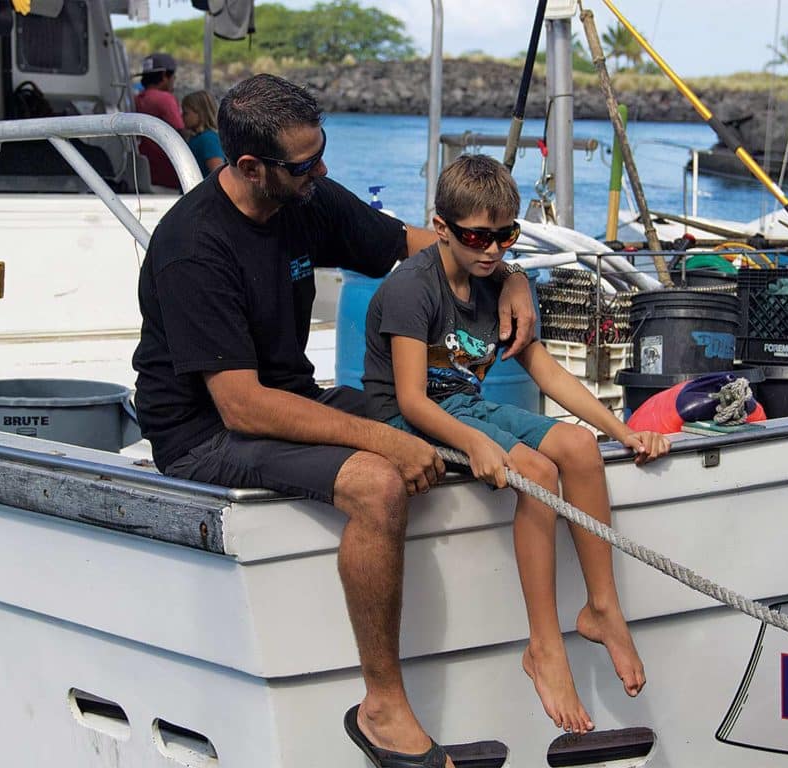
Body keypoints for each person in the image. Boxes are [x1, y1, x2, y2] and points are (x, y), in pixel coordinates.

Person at [131, 75, 537, 768]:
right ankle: (381, 707)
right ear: (249, 167)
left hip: (292, 396)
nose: (319, 171)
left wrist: (514, 277)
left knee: (456, 436)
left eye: (321, 154)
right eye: (302, 164)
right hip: (205, 432)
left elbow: (420, 245)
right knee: (379, 482)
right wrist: (382, 438)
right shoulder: (194, 247)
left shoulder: (306, 198)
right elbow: (241, 406)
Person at [362, 154, 671, 736]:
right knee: (535, 470)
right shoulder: (412, 290)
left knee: (578, 448)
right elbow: (410, 400)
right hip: (412, 422)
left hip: (465, 406)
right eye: (478, 236)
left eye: (506, 236)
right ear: (443, 227)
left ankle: (602, 609)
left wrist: (621, 430)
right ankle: (544, 646)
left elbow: (549, 374)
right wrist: (476, 444)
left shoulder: (496, 283)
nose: (493, 250)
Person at [134, 52, 185, 190]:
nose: (174, 80)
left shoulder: (137, 100)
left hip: (145, 175)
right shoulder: (165, 99)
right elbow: (181, 132)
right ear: (164, 76)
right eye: (173, 76)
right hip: (168, 178)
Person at [181, 90, 224, 176]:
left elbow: (217, 175)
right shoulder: (197, 138)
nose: (182, 116)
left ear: (200, 113)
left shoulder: (208, 139)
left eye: (186, 113)